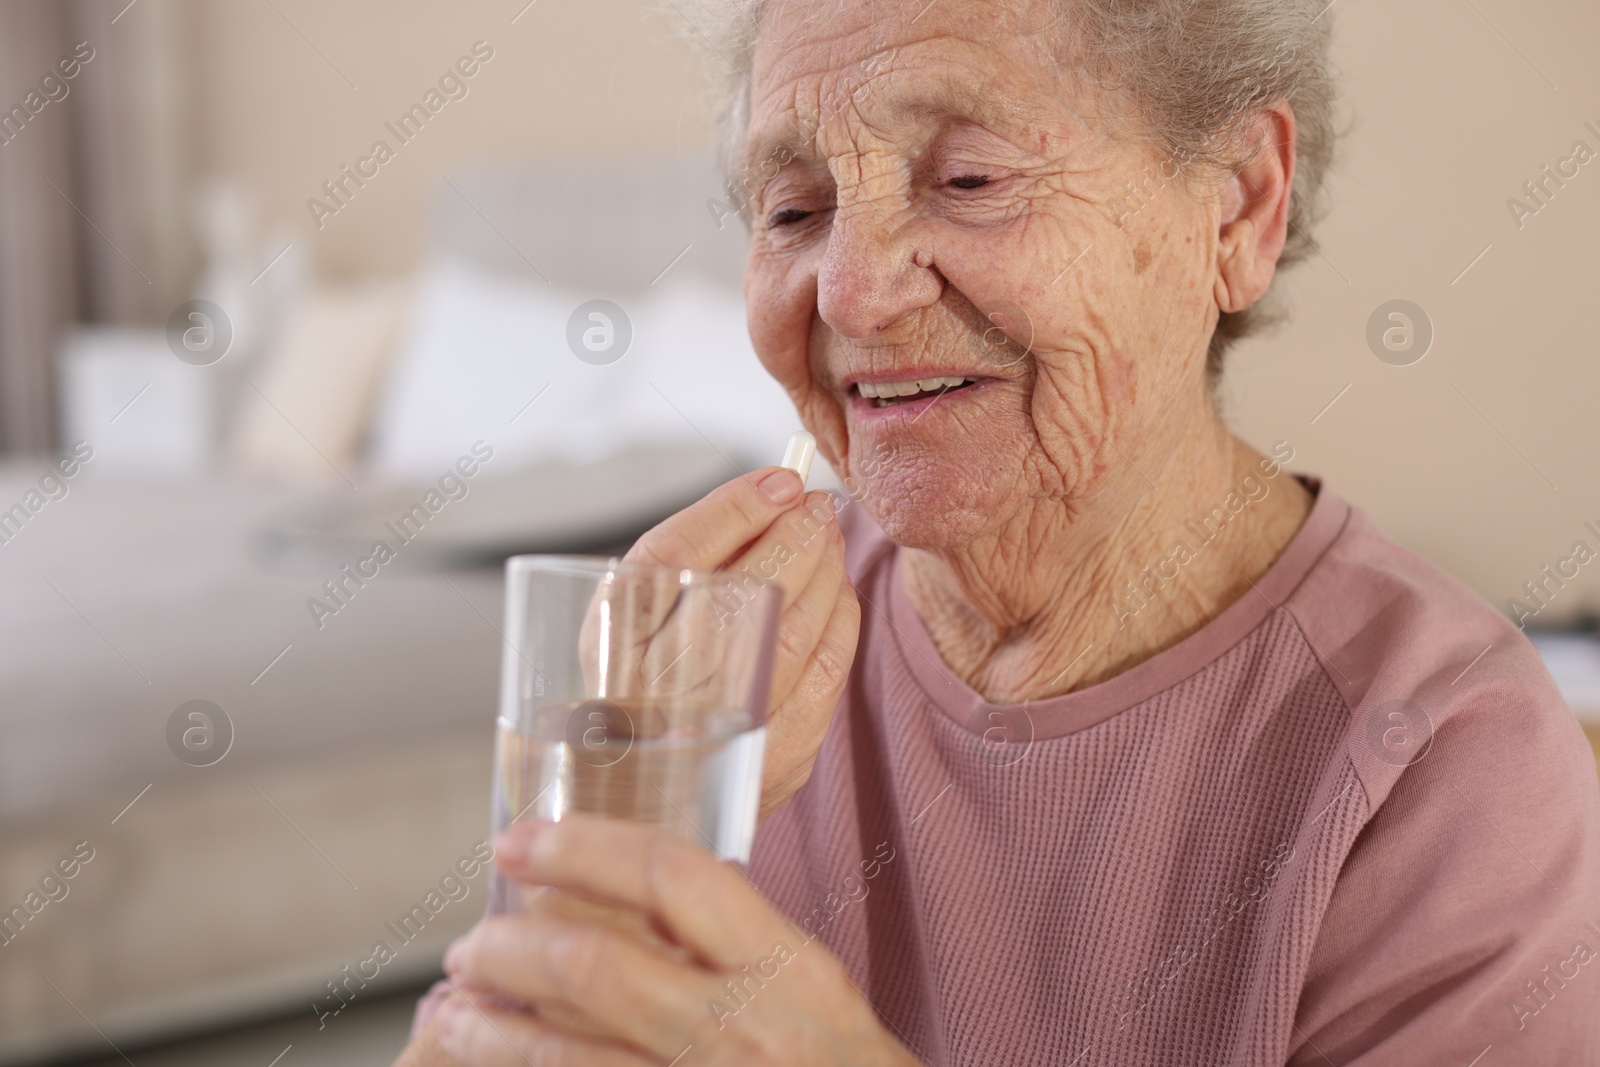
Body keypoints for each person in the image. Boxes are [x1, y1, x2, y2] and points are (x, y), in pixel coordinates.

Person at [397, 0, 1600, 1062]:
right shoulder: (723, 660)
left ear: (1239, 206)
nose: (853, 292)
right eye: (795, 207)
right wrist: (610, 848)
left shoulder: (1446, 754)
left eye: (967, 180)